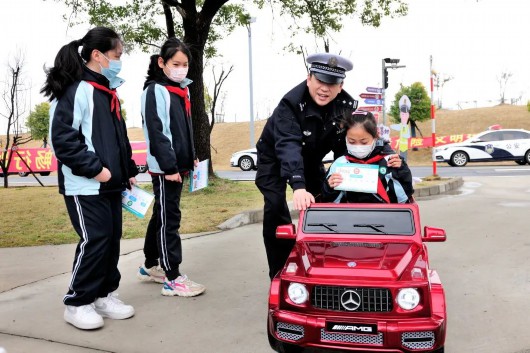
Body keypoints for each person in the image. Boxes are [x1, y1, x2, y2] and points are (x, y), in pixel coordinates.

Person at [42, 26, 138, 330]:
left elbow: (117, 140)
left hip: (111, 183)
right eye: (117, 55)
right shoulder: (75, 89)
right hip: (85, 184)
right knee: (95, 239)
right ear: (97, 55)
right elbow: (64, 140)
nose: (120, 60)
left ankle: (103, 295)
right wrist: (97, 170)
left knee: (111, 241)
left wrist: (128, 172)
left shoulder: (107, 91)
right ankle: (77, 301)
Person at [255, 53, 358, 280]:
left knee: (324, 201)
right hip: (274, 157)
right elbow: (288, 145)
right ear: (309, 78)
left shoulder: (345, 107)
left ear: (340, 86)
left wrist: (349, 175)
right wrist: (298, 185)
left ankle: (320, 265)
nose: (325, 89)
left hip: (311, 158)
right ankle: (279, 272)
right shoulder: (290, 104)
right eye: (320, 81)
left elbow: (345, 147)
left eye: (332, 83)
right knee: (275, 206)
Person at [136, 38, 205, 297]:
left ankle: (150, 264)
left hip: (179, 165)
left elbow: (183, 130)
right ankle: (172, 276)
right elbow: (158, 132)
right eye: (176, 64)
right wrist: (170, 167)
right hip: (167, 169)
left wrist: (192, 157)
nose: (181, 68)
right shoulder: (156, 90)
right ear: (161, 63)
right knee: (169, 219)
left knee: (161, 215)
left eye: (185, 64)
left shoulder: (180, 90)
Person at [323, 110, 414, 203]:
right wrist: (330, 187)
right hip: (350, 216)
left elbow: (403, 199)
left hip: (384, 216)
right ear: (345, 138)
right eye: (351, 141)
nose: (358, 146)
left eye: (364, 142)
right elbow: (330, 203)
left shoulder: (389, 161)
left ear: (375, 136)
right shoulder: (340, 164)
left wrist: (401, 171)